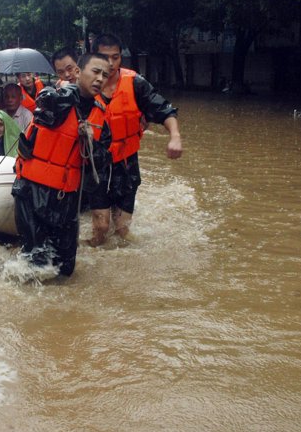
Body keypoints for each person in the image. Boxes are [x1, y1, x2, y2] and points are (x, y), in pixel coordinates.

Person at [12, 53, 111, 277]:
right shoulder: (57, 96)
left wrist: (90, 143)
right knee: (36, 262)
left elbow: (103, 159)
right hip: (32, 190)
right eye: (95, 72)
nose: (100, 79)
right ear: (79, 72)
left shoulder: (101, 115)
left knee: (65, 268)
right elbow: (45, 102)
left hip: (67, 199)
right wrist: (70, 91)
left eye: (105, 75)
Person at [87, 34, 182, 246]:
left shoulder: (136, 83)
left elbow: (164, 109)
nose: (110, 64)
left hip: (126, 162)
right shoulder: (83, 85)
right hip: (96, 165)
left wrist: (174, 136)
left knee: (122, 231)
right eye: (104, 57)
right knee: (100, 230)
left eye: (116, 57)